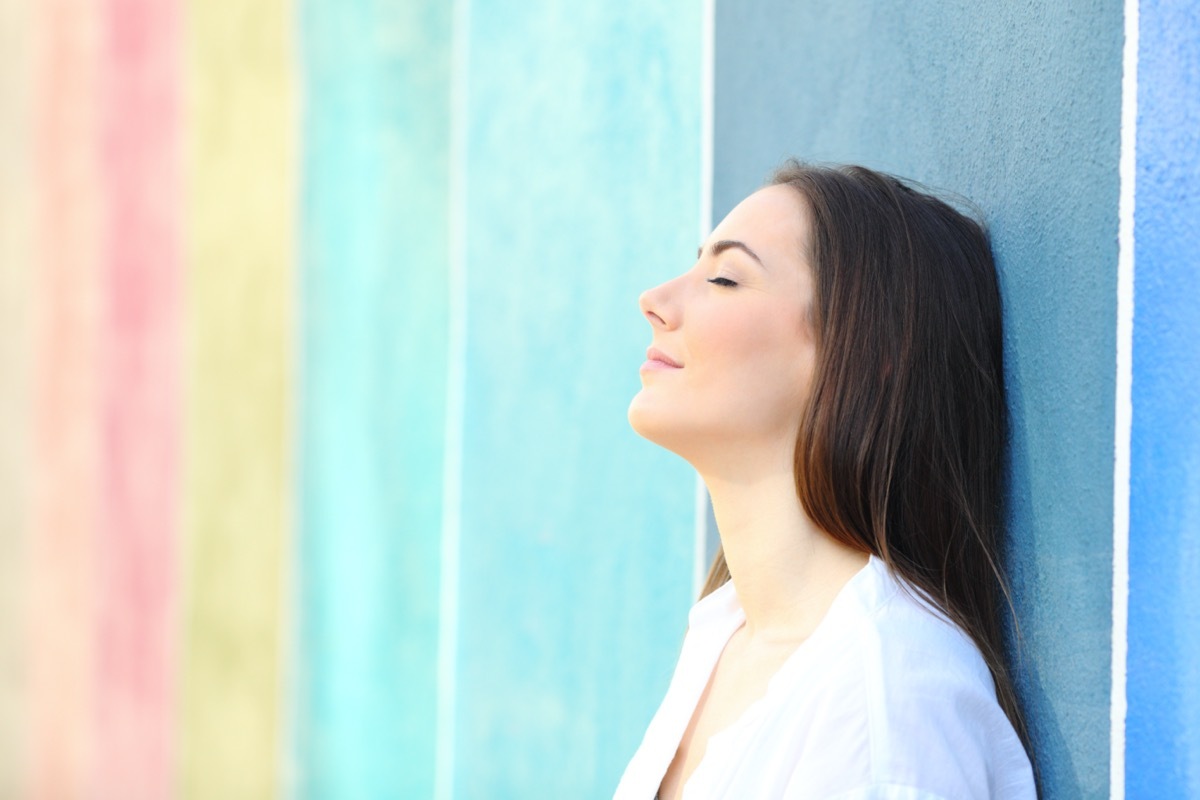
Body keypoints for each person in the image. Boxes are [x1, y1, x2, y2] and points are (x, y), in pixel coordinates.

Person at [615, 162, 1036, 799]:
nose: (655, 300)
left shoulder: (886, 702)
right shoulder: (725, 634)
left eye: (725, 278)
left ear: (870, 347)